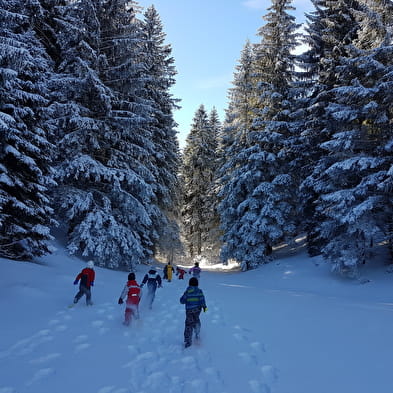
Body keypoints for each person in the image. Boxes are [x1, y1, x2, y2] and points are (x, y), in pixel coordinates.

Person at [180, 277, 207, 348]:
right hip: (197, 310)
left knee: (188, 324)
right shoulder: (199, 291)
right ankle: (197, 332)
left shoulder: (187, 291)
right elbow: (202, 299)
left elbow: (182, 301)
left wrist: (183, 299)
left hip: (189, 311)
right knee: (196, 320)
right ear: (197, 284)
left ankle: (188, 341)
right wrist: (204, 307)